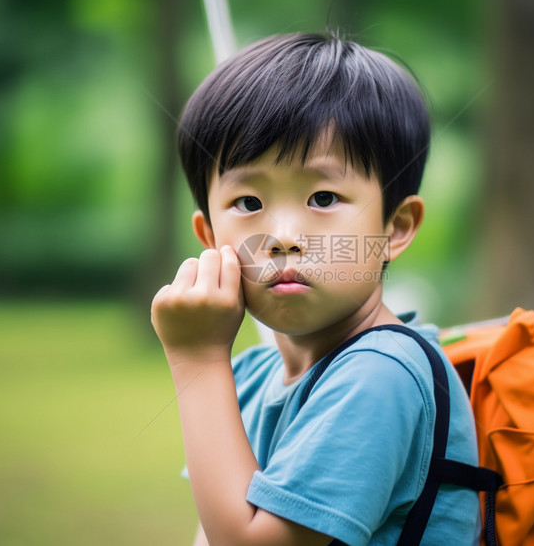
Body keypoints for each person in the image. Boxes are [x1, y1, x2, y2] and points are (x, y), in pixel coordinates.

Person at [150, 33, 480, 546]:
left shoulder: (381, 375)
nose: (283, 236)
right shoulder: (251, 378)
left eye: (323, 196)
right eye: (249, 202)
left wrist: (196, 358)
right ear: (211, 238)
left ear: (394, 227)